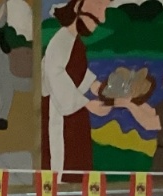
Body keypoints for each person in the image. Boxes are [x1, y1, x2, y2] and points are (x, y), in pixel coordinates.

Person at [41, 0, 111, 177]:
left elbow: (77, 71)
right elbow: (55, 75)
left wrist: (97, 87)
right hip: (61, 116)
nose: (102, 18)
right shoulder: (60, 41)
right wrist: (87, 104)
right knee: (63, 164)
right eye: (99, 7)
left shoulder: (75, 42)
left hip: (75, 113)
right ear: (78, 6)